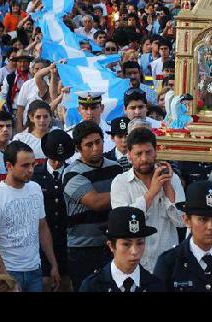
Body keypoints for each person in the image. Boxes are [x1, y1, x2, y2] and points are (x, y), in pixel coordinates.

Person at [0, 140, 60, 292]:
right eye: (25, 165)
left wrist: (53, 264)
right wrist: (6, 280)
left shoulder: (36, 189)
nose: (31, 170)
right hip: (7, 272)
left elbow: (42, 227)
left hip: (34, 270)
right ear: (9, 166)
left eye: (33, 164)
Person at [110, 127, 185, 272]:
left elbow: (181, 221)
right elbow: (124, 224)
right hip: (135, 264)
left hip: (167, 262)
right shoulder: (120, 182)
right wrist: (152, 192)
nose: (144, 159)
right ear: (129, 155)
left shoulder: (171, 178)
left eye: (148, 152)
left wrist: (168, 187)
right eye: (138, 154)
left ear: (155, 151)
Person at [63, 120, 123, 290]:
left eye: (98, 142)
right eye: (89, 144)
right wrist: (128, 192)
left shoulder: (116, 168)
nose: (96, 148)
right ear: (78, 148)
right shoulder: (72, 174)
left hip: (111, 245)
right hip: (83, 248)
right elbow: (96, 202)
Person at [79, 206, 164, 292]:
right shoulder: (93, 286)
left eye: (140, 243)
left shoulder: (156, 286)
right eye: (126, 244)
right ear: (111, 246)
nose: (134, 251)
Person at [32, 129, 74, 291]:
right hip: (43, 240)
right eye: (54, 158)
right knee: (45, 283)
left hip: (67, 240)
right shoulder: (36, 175)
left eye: (61, 159)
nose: (57, 163)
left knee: (66, 283)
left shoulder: (73, 173)